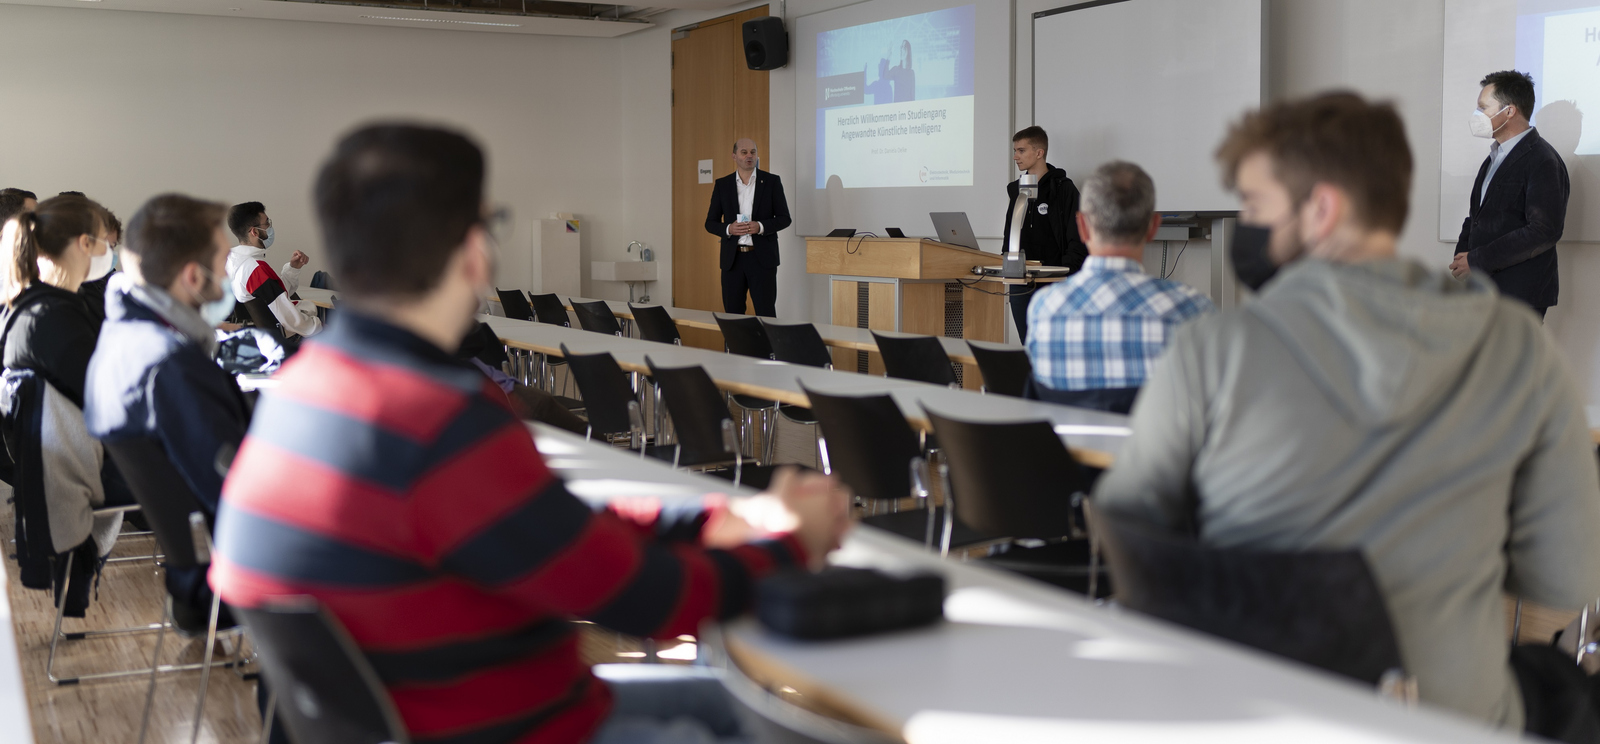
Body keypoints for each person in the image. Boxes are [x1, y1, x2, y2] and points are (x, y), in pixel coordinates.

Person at [213, 123, 851, 744]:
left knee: (739, 708)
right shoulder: (442, 420)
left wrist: (708, 518)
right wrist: (792, 548)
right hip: (528, 724)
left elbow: (553, 524)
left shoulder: (302, 395)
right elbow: (643, 598)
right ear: (470, 248)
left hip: (446, 713)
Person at [1093, 92, 1600, 736]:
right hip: (1453, 717)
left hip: (1258, 714)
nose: (1244, 225)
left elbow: (1130, 538)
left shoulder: (1212, 351)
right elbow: (1566, 573)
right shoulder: (1518, 347)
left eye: (1254, 205)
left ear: (1322, 209)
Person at [84, 193, 248, 633]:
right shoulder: (173, 368)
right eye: (224, 263)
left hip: (193, 568)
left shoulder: (121, 340)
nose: (229, 276)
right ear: (194, 277)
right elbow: (243, 492)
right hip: (234, 569)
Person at [0, 194, 128, 612]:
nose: (110, 252)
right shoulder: (52, 320)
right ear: (82, 243)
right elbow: (109, 400)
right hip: (85, 479)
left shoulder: (34, 307)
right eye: (104, 241)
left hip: (61, 473)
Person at [1025, 161, 1212, 414]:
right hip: (1153, 454)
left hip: (1068, 452)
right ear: (1152, 227)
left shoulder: (1044, 308)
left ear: (1082, 226)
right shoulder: (1193, 311)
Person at [1452, 70, 1569, 319]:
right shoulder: (1494, 157)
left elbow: (1543, 230)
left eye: (1484, 108)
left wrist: (1478, 259)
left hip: (1519, 295)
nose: (1478, 116)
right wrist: (1463, 257)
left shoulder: (1542, 159)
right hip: (1484, 288)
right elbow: (1477, 215)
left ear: (1509, 111)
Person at [1002, 126, 1087, 342]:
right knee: (1028, 344)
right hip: (1020, 281)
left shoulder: (1064, 189)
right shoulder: (1017, 191)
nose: (1015, 157)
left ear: (1039, 153)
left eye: (1021, 150)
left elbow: (1077, 239)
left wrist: (1064, 276)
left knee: (1052, 346)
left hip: (1054, 284)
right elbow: (1009, 234)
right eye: (1015, 150)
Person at [704, 138, 791, 317]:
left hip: (762, 260)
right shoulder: (723, 185)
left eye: (753, 152)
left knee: (766, 314)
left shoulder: (771, 182)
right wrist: (729, 229)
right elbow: (710, 223)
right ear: (734, 156)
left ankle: (767, 346)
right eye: (744, 152)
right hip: (733, 260)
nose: (749, 156)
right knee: (733, 316)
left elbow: (784, 218)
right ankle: (735, 347)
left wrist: (760, 226)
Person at [224, 201, 321, 338]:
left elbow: (272, 295)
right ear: (255, 231)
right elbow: (289, 318)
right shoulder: (255, 269)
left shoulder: (232, 261)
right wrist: (319, 328)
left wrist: (292, 269)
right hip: (282, 335)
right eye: (267, 223)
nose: (270, 226)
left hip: (258, 335)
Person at [77, 206, 120, 323]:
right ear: (85, 243)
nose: (108, 253)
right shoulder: (74, 291)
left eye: (112, 246)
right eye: (104, 245)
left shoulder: (109, 282)